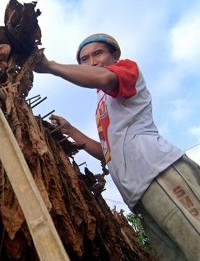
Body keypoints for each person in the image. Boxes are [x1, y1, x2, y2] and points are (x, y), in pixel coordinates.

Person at [34, 33, 200, 260]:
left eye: (98, 53)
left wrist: (49, 65)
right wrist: (71, 130)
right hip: (137, 193)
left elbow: (102, 78)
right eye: (84, 59)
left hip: (158, 172)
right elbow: (107, 155)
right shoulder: (102, 102)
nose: (91, 61)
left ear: (115, 55)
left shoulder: (127, 70)